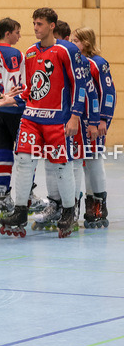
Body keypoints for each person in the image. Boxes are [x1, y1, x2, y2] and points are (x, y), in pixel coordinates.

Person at [0, 8, 94, 238]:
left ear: (52, 25)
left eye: (39, 24)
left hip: (58, 118)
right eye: (33, 24)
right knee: (23, 160)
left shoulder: (67, 50)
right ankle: (20, 210)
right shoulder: (29, 52)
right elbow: (31, 88)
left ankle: (69, 211)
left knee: (61, 165)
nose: (35, 28)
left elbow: (79, 85)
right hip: (32, 117)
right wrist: (14, 99)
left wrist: (74, 116)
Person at [71, 26, 114, 228]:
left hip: (94, 121)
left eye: (76, 41)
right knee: (81, 164)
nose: (72, 44)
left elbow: (108, 92)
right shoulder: (75, 63)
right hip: (78, 123)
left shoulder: (98, 64)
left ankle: (99, 204)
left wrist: (103, 120)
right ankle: (86, 203)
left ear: (86, 43)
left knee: (94, 161)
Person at [0, 18, 26, 212]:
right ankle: (27, 196)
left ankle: (3, 195)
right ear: (8, 33)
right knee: (24, 155)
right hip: (14, 109)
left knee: (1, 151)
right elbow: (22, 82)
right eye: (18, 32)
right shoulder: (17, 54)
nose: (19, 36)